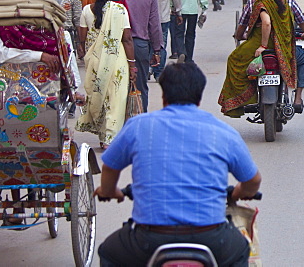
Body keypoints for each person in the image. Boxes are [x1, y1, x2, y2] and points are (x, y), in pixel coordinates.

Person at [96, 61, 261, 267]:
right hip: (211, 237)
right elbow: (253, 180)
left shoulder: (138, 126)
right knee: (241, 250)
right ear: (199, 97)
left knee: (109, 253)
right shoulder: (223, 132)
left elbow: (111, 167)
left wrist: (109, 191)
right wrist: (239, 192)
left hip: (149, 239)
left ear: (164, 94)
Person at [220, 0, 299, 117]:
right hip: (282, 45)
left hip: (263, 43)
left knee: (233, 60)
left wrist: (262, 45)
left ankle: (245, 99)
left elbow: (267, 22)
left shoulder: (261, 2)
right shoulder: (284, 0)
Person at [77, 0, 134, 148]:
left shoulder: (87, 10)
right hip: (117, 60)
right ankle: (109, 138)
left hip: (94, 61)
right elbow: (128, 39)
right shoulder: (119, 9)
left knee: (98, 95)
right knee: (115, 98)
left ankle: (103, 136)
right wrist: (132, 64)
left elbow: (81, 37)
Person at [118, 0, 163, 111]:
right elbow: (154, 25)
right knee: (141, 85)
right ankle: (142, 117)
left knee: (118, 86)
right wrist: (157, 50)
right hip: (140, 45)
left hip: (117, 45)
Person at [140, 0, 182, 80]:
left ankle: (147, 68)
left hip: (147, 17)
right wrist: (178, 12)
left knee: (147, 43)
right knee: (161, 44)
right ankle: (158, 72)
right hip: (163, 16)